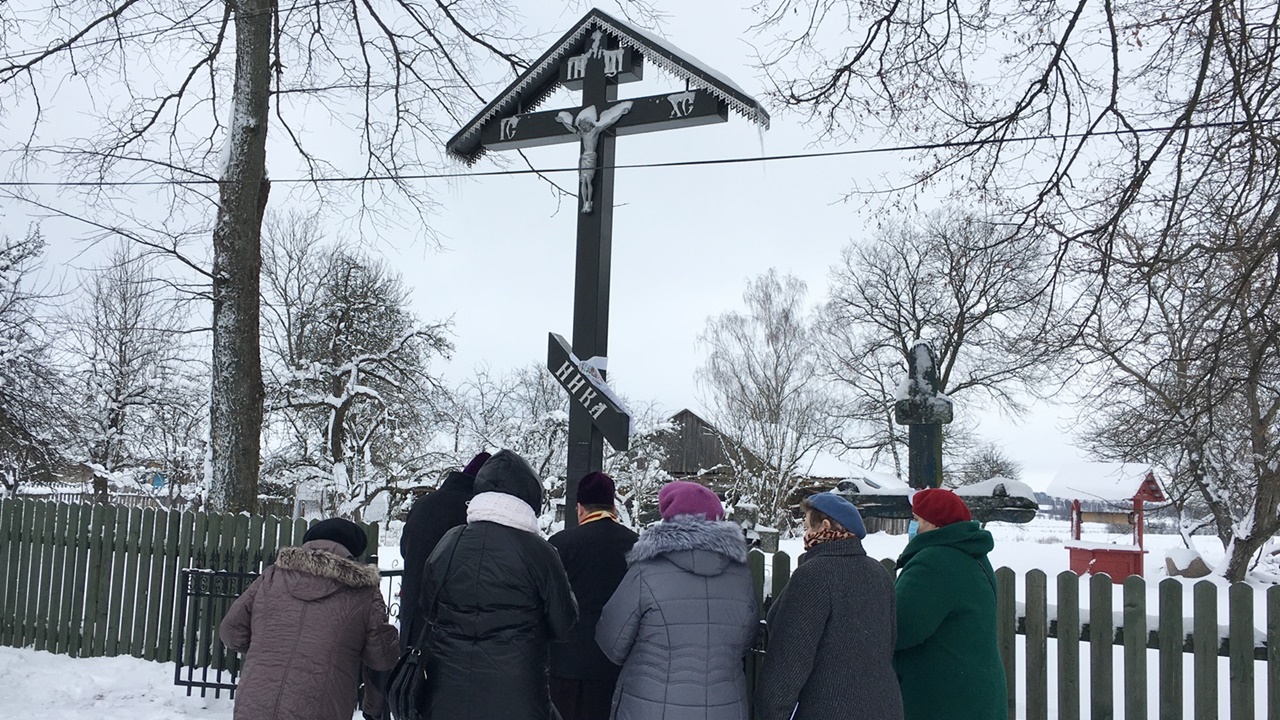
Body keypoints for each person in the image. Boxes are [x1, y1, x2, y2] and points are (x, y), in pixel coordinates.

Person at [420, 449, 579, 720]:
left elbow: (428, 609)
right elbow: (564, 623)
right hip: (518, 697)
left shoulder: (449, 541)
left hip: (446, 693)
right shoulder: (539, 552)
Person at [596, 481, 758, 720]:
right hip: (725, 707)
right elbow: (745, 642)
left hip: (649, 707)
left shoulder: (646, 571)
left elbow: (612, 643)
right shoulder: (741, 576)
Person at [220, 518, 399, 720]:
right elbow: (382, 658)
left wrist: (265, 648)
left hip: (255, 702)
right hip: (322, 706)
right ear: (353, 552)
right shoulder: (364, 593)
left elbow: (231, 631)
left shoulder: (271, 578)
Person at [755, 492, 903, 720]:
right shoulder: (879, 573)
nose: (805, 535)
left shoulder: (814, 575)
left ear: (824, 526)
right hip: (885, 707)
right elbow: (888, 643)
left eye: (807, 527)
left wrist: (772, 713)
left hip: (830, 709)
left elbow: (789, 660)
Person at [894, 488, 1007, 720]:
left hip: (943, 697)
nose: (912, 527)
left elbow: (901, 627)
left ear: (935, 524)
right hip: (976, 690)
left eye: (916, 520)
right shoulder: (973, 555)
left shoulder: (934, 562)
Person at [548, 471, 640, 720]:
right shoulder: (635, 545)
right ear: (613, 506)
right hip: (616, 666)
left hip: (566, 665)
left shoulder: (560, 543)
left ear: (579, 508)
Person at [399, 451, 489, 650]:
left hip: (413, 611)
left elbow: (405, 549)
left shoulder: (423, 504)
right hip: (451, 626)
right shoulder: (475, 510)